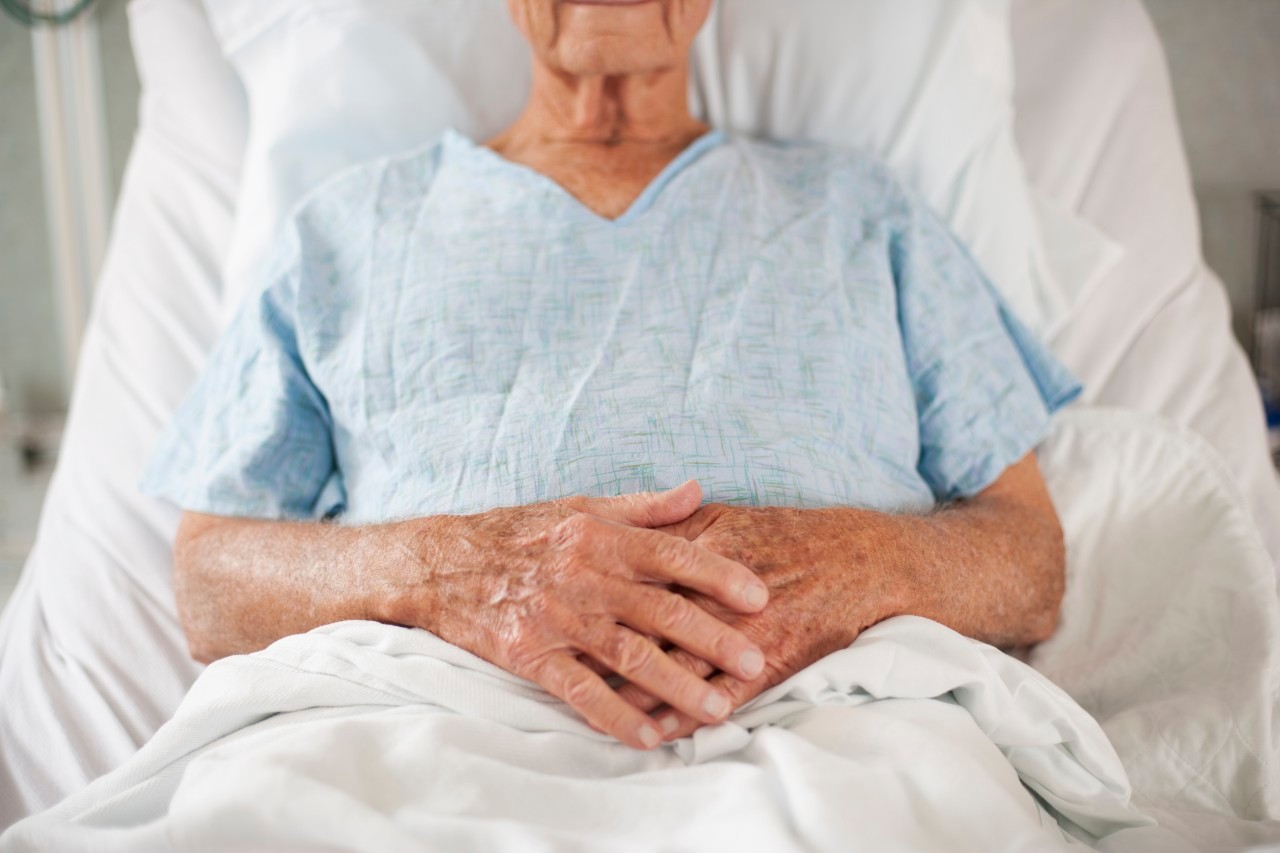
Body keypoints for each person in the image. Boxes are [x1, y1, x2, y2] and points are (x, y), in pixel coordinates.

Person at [143, 0, 1080, 752]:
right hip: (430, 745)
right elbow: (209, 580)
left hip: (840, 740)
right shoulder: (346, 231)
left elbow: (1030, 557)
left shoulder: (862, 210)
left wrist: (863, 565)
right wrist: (458, 574)